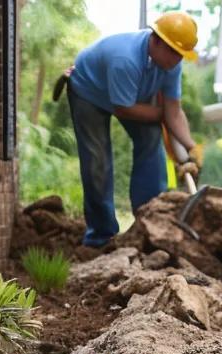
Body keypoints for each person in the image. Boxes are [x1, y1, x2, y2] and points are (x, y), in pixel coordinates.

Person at [65, 11, 202, 247]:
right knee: (97, 159)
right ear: (156, 41)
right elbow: (124, 109)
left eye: (181, 55)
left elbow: (174, 111)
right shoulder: (126, 59)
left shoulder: (171, 65)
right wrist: (161, 115)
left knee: (151, 137)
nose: (177, 60)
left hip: (130, 98)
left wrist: (191, 147)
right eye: (174, 52)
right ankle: (101, 236)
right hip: (89, 91)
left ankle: (150, 221)